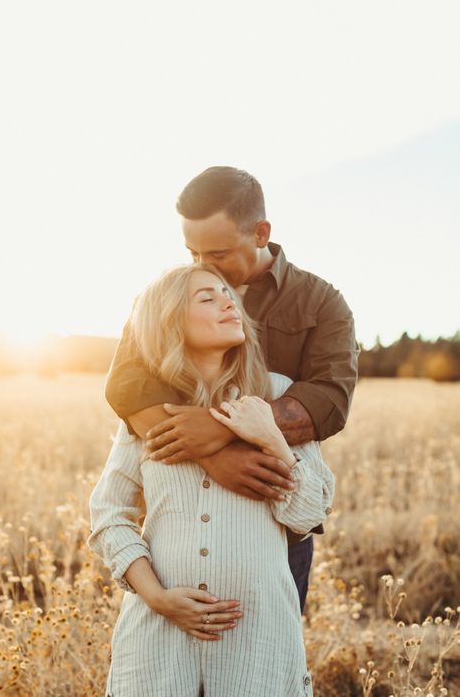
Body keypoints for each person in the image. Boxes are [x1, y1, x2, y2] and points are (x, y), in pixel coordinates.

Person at [105, 166, 359, 611]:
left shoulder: (321, 302)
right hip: (176, 521)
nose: (203, 266)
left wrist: (220, 427)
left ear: (261, 233)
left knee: (264, 654)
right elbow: (127, 384)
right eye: (193, 252)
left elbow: (329, 401)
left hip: (272, 514)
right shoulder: (165, 295)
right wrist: (212, 456)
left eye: (218, 253)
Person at [88, 264, 334, 696]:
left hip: (259, 643)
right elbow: (109, 514)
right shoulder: (148, 410)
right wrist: (158, 598)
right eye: (207, 297)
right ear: (169, 321)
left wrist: (271, 437)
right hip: (158, 643)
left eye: (227, 294)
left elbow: (310, 514)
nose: (228, 301)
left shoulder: (277, 394)